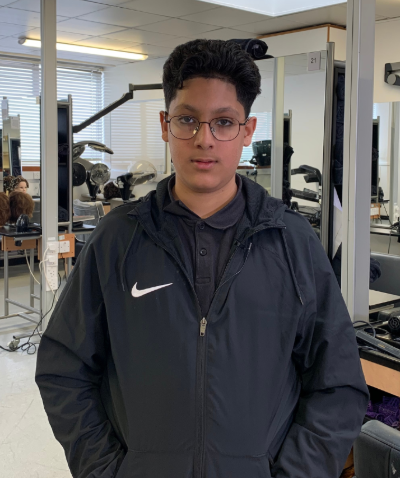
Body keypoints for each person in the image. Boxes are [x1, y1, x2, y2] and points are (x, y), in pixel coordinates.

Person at [35, 39, 369, 478]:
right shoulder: (117, 239)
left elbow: (338, 384)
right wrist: (105, 470)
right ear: (165, 124)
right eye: (188, 120)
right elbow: (63, 367)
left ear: (247, 132)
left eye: (224, 122)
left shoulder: (292, 242)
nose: (204, 140)